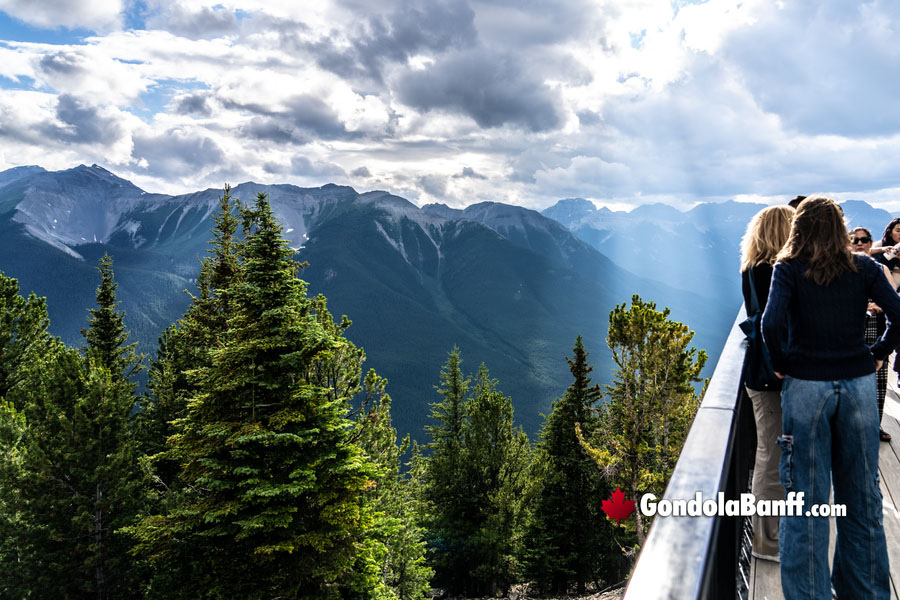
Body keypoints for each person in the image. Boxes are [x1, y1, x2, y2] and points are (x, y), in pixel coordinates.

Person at [762, 196, 899, 599]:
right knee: (862, 498)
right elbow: (898, 314)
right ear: (841, 230)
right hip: (857, 386)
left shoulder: (788, 268)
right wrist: (878, 353)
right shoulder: (865, 268)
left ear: (799, 229)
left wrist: (782, 362)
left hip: (806, 386)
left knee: (805, 503)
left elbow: (771, 323)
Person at [740, 205, 794, 562]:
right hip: (772, 375)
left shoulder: (752, 268)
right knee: (772, 458)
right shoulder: (773, 272)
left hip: (760, 374)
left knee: (769, 455)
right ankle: (767, 542)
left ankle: (770, 535)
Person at [850, 226, 893, 441]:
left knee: (879, 382)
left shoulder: (880, 269)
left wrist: (880, 306)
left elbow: (893, 301)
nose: (859, 243)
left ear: (870, 243)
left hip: (877, 329)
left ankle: (875, 425)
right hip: (853, 333)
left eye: (864, 240)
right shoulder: (843, 271)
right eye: (855, 240)